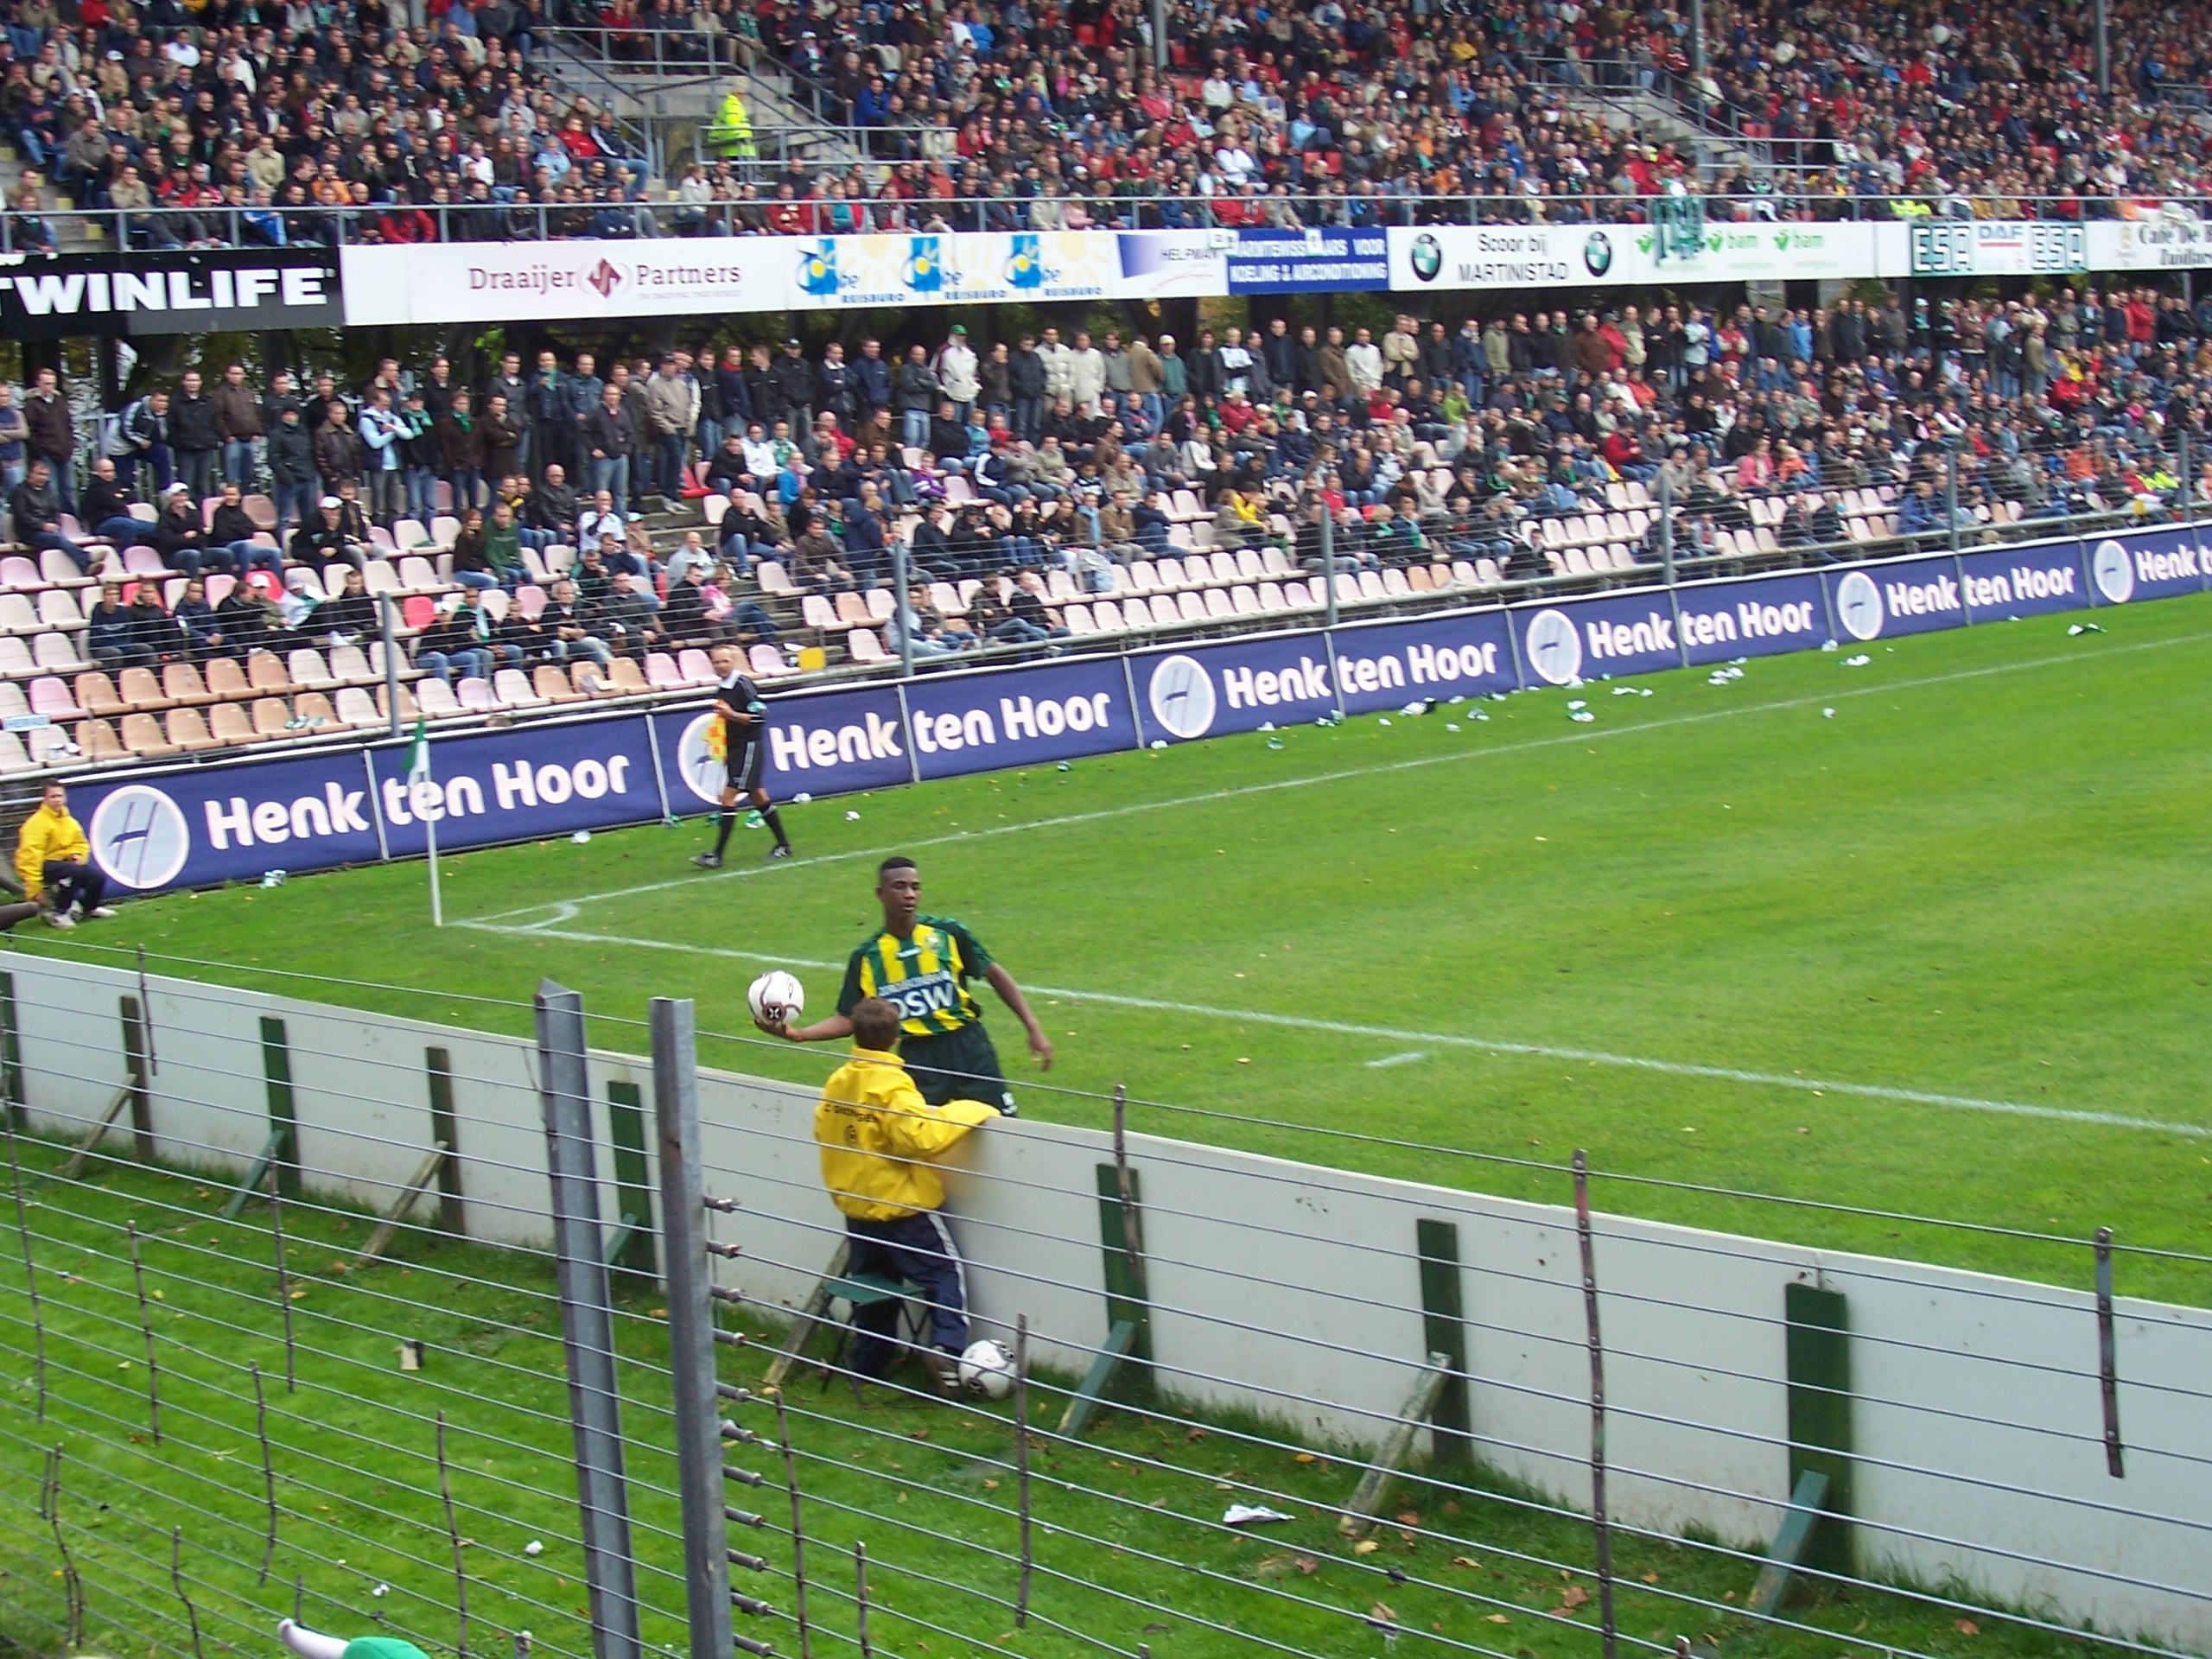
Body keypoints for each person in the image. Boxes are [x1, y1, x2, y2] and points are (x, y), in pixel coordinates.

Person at [808, 993, 1000, 1396]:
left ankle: (868, 1365)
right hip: (903, 1210)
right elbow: (922, 1136)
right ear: (897, 1039)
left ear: (855, 1034)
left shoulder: (840, 1080)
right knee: (946, 1274)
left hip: (857, 1209)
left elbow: (823, 1127)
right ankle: (947, 1350)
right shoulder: (891, 1084)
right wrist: (973, 1109)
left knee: (874, 1288)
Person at [766, 856, 1052, 1116]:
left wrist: (1033, 1027)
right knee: (915, 1136)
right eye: (899, 887)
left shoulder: (948, 934)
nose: (909, 894)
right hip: (918, 1057)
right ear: (881, 894)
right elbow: (849, 1018)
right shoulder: (868, 956)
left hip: (969, 1047)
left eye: (915, 887)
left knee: (1004, 1129)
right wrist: (800, 1035)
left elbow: (994, 973)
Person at [691, 644, 792, 868]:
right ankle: (784, 845)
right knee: (758, 796)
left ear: (733, 661)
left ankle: (717, 854)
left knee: (728, 797)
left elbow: (759, 716)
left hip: (749, 747)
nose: (720, 666)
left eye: (724, 661)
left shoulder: (743, 685)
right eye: (716, 662)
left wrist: (731, 714)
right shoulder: (723, 687)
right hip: (736, 748)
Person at [16, 782, 115, 929]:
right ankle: (59, 913)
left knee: (97, 876)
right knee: (71, 872)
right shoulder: (36, 823)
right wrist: (35, 888)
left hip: (65, 864)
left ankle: (89, 908)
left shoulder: (69, 821)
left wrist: (76, 854)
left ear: (65, 797)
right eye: (53, 796)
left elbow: (80, 843)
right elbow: (30, 856)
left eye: (60, 796)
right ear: (45, 799)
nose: (57, 800)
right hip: (44, 865)